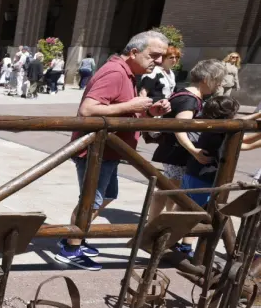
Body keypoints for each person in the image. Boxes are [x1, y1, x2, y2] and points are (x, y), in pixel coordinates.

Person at [55, 30, 171, 271]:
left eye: (162, 56)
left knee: (106, 196)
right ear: (134, 52)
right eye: (154, 55)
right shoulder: (115, 72)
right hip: (97, 152)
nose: (159, 61)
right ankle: (70, 248)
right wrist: (133, 104)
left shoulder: (127, 72)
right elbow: (88, 110)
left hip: (110, 152)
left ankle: (75, 237)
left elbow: (120, 110)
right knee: (91, 201)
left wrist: (149, 112)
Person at [147, 58, 225, 255]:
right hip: (177, 154)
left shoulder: (187, 96)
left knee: (171, 193)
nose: (220, 85)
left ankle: (159, 230)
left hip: (176, 153)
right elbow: (180, 129)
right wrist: (194, 151)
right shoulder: (189, 99)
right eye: (218, 80)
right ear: (207, 79)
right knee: (169, 193)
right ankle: (153, 231)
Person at [183, 94, 240, 207]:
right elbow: (246, 142)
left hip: (191, 175)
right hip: (202, 181)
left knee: (185, 208)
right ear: (227, 115)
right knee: (200, 214)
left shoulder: (211, 127)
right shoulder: (221, 132)